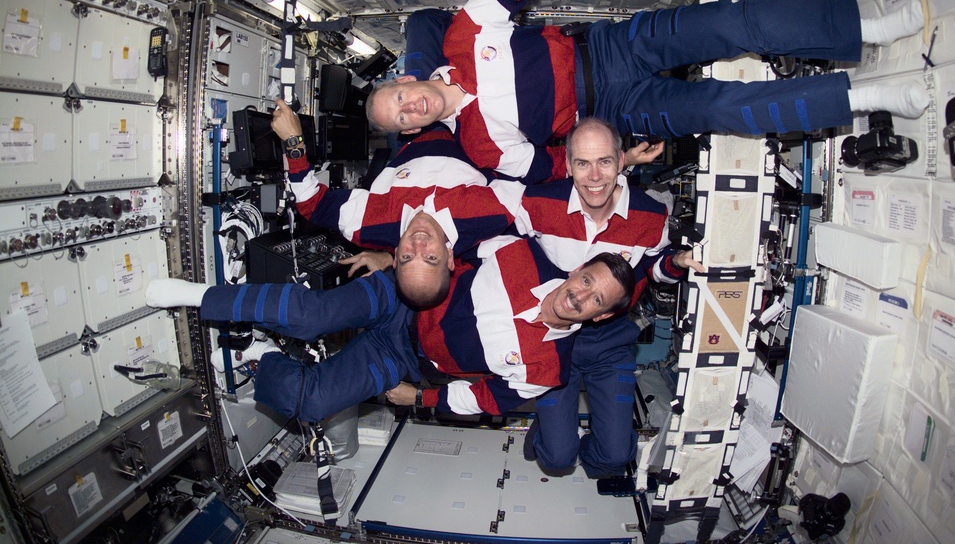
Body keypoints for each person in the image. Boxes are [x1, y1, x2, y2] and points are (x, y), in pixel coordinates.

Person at [366, 0, 928, 183]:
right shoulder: (479, 146)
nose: (409, 109)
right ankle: (864, 98)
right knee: (723, 109)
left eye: (397, 99)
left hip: (611, 46)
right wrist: (619, 162)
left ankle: (866, 29)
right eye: (403, 120)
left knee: (733, 24)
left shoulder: (463, 36)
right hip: (616, 110)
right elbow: (549, 169)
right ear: (413, 130)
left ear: (404, 79)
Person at [144, 237, 635, 422]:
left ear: (601, 317)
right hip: (400, 298)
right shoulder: (519, 253)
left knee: (310, 404)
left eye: (597, 300)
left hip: (406, 360)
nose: (581, 295)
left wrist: (419, 399)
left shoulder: (549, 370)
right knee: (311, 314)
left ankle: (261, 354)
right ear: (576, 270)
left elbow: (483, 399)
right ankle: (201, 296)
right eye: (587, 280)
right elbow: (446, 244)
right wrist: (391, 254)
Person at [513, 117, 706, 478]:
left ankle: (576, 444)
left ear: (621, 161)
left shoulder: (650, 214)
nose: (595, 177)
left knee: (616, 457)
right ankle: (554, 438)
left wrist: (676, 262)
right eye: (582, 164)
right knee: (557, 460)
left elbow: (654, 270)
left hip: (610, 343)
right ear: (569, 165)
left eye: (604, 162)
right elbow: (506, 252)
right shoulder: (538, 203)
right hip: (553, 343)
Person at [272, 105, 523, 308]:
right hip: (472, 116)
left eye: (406, 256)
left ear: (394, 259)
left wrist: (294, 142)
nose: (418, 244)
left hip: (416, 115)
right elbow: (520, 170)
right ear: (449, 260)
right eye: (431, 257)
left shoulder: (369, 224)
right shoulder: (488, 218)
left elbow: (310, 203)